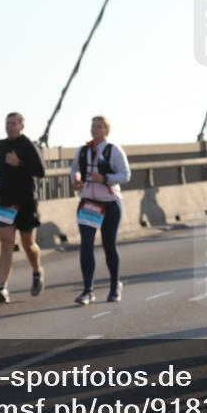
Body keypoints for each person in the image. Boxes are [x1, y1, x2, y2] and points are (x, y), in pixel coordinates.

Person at [71, 115, 132, 305]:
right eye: (93, 126)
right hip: (88, 203)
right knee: (86, 245)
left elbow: (126, 175)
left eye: (99, 126)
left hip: (109, 203)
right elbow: (73, 169)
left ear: (106, 130)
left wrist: (105, 178)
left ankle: (115, 285)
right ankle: (88, 290)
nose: (94, 129)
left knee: (109, 245)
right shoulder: (83, 150)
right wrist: (76, 180)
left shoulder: (113, 150)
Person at [0, 112, 47, 304]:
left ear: (22, 126)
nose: (9, 126)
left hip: (25, 202)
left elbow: (41, 171)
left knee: (28, 244)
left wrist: (19, 163)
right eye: (7, 123)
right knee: (6, 244)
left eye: (13, 123)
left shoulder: (28, 145)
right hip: (4, 201)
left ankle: (37, 271)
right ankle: (2, 288)